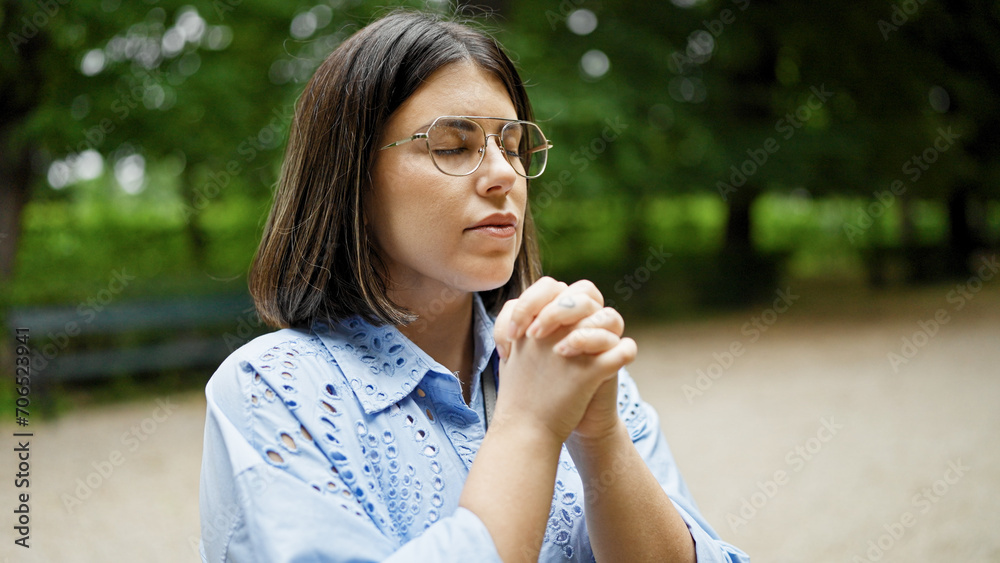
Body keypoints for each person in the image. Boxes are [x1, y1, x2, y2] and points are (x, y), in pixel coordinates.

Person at [198, 9, 749, 563]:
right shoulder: (273, 389)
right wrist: (530, 428)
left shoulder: (562, 357)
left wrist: (601, 439)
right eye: (453, 146)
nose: (505, 174)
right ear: (352, 179)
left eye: (512, 145)